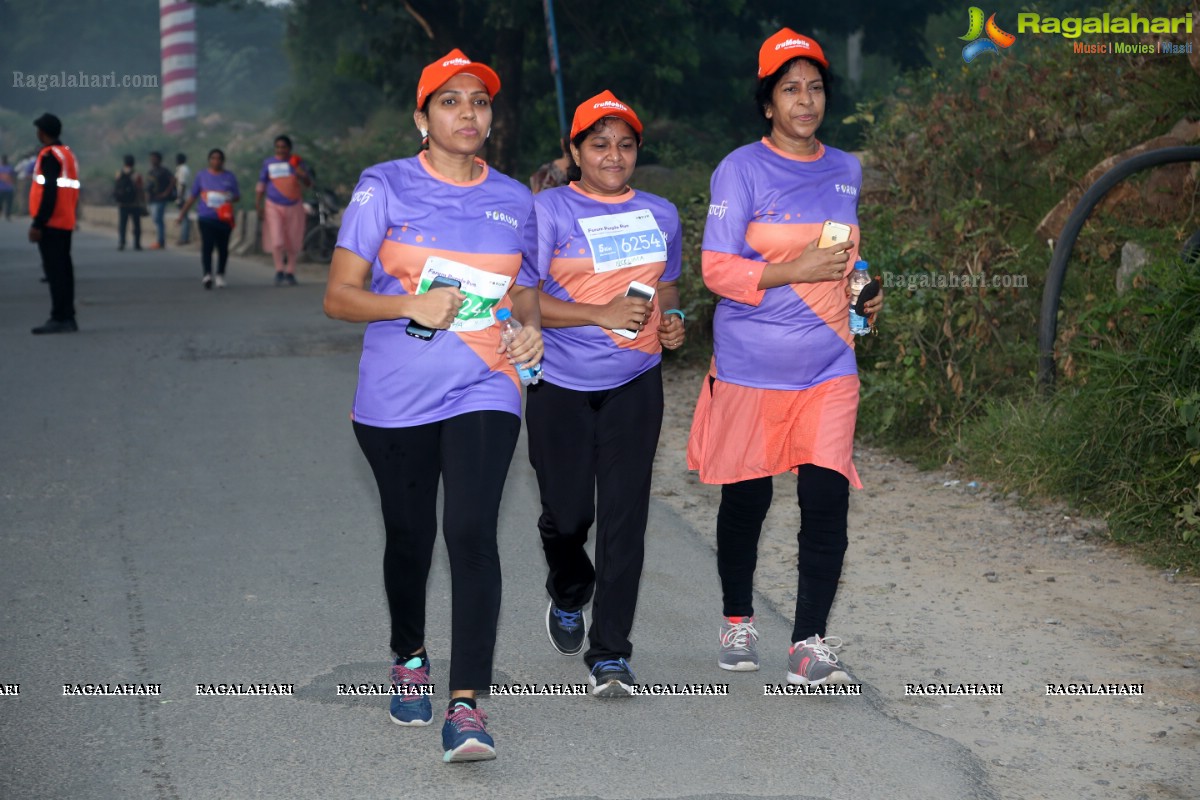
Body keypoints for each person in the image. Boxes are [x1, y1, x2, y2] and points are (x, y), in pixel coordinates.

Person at [322, 48, 542, 763]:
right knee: (409, 537)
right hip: (395, 395)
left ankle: (467, 706)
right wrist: (409, 302)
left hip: (486, 382)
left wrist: (530, 333)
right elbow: (338, 296)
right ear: (422, 118)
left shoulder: (516, 199)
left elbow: (524, 296)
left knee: (472, 531)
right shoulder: (382, 187)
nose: (468, 113)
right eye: (451, 101)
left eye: (479, 101)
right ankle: (409, 655)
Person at [686, 29, 884, 685]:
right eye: (790, 88)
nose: (806, 99)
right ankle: (738, 620)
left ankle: (809, 641)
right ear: (768, 102)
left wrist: (863, 292)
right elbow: (716, 268)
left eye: (815, 86)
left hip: (830, 363)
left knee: (826, 500)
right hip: (750, 365)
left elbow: (849, 257)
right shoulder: (739, 169)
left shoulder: (846, 169)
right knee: (747, 503)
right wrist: (793, 267)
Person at [528, 90, 684, 697]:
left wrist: (671, 321)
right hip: (558, 382)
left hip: (635, 381)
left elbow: (667, 285)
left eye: (624, 144)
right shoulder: (546, 212)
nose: (613, 155)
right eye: (598, 144)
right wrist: (598, 313)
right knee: (567, 517)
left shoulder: (661, 213)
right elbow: (523, 299)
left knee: (626, 519)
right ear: (575, 151)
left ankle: (611, 651)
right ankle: (569, 592)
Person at [27, 113, 80, 334]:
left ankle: (59, 317)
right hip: (65, 219)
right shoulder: (66, 154)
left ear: (42, 132)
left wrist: (38, 223)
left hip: (51, 222)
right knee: (64, 270)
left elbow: (49, 192)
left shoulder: (49, 156)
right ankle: (68, 315)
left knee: (55, 272)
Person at [177, 149, 239, 289]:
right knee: (207, 246)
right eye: (213, 158)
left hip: (224, 218)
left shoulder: (229, 177)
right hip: (206, 217)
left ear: (223, 161)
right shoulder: (202, 176)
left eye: (219, 159)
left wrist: (226, 196)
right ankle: (207, 274)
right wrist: (182, 214)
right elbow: (193, 196)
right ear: (209, 160)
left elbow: (236, 196)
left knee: (223, 248)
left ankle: (220, 274)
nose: (216, 161)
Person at [256, 135, 312, 286]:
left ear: (289, 148)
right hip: (273, 204)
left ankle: (290, 271)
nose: (281, 150)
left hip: (294, 205)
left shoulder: (296, 162)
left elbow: (308, 183)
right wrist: (258, 205)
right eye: (278, 147)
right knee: (277, 240)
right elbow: (261, 184)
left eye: (284, 147)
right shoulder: (269, 163)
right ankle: (279, 269)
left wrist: (301, 174)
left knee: (293, 240)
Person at [145, 151, 175, 250]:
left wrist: (166, 192)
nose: (152, 160)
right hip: (152, 199)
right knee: (155, 219)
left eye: (154, 158)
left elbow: (173, 180)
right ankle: (160, 240)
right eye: (151, 158)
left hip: (161, 199)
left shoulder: (164, 171)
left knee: (159, 219)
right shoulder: (151, 172)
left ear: (159, 160)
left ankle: (160, 241)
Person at [114, 154, 144, 251]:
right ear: (133, 163)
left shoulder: (119, 173)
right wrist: (142, 202)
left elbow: (117, 188)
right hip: (134, 204)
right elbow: (140, 189)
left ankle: (122, 241)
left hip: (122, 204)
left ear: (124, 163)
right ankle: (137, 243)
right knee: (136, 224)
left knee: (122, 224)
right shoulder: (137, 175)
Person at [174, 153, 192, 244]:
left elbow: (182, 184)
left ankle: (184, 238)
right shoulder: (185, 169)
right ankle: (185, 237)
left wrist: (179, 198)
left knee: (183, 217)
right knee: (185, 217)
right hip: (185, 196)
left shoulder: (182, 170)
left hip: (184, 197)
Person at [0, 154, 15, 221]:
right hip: (3, 188)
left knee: (8, 203)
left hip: (8, 188)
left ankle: (7, 215)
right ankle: (4, 215)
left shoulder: (10, 168)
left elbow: (13, 176)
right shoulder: (3, 168)